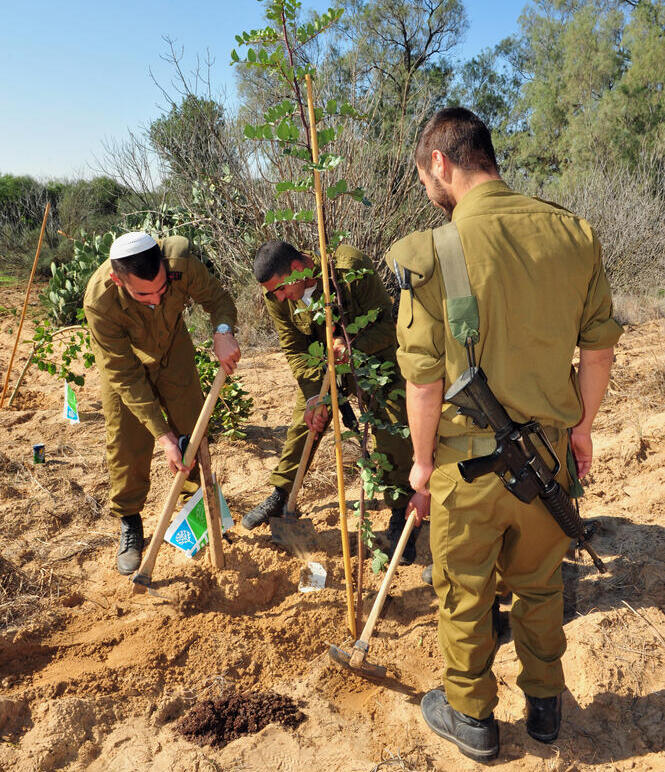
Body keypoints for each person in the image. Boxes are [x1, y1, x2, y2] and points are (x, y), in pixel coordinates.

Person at [387, 107, 622, 762]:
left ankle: (472, 719)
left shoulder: (431, 254)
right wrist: (580, 432)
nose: (427, 192)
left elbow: (425, 387)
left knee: (463, 593)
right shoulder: (572, 234)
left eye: (424, 175)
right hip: (546, 458)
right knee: (542, 582)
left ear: (441, 162)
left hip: (463, 469)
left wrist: (419, 465)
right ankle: (545, 708)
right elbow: (597, 355)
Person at [242, 239, 419, 564]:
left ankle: (401, 512)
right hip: (321, 366)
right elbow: (294, 348)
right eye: (273, 294)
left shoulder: (350, 269)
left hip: (373, 361)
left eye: (281, 290)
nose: (279, 298)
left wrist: (351, 348)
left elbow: (388, 327)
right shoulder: (276, 296)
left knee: (393, 430)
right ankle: (282, 495)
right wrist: (314, 399)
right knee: (304, 425)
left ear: (298, 270)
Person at [83, 232, 241, 575]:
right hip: (127, 366)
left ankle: (199, 515)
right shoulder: (100, 302)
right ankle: (130, 522)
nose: (155, 300)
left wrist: (224, 331)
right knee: (126, 443)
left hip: (173, 349)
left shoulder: (181, 262)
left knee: (193, 432)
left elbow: (218, 299)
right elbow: (123, 375)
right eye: (143, 294)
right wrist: (163, 437)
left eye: (161, 289)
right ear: (117, 279)